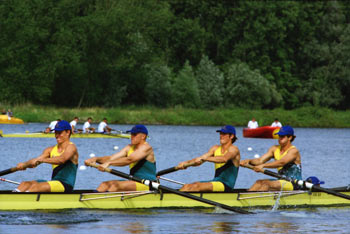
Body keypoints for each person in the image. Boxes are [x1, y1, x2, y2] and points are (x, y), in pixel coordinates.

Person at [85, 124, 155, 192]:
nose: (131, 137)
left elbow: (129, 160)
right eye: (131, 134)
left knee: (116, 186)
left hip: (148, 184)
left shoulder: (146, 148)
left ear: (143, 136)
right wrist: (95, 159)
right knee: (104, 184)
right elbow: (111, 158)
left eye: (134, 134)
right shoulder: (129, 147)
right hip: (134, 182)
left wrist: (109, 163)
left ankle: (107, 202)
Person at [14, 120, 79, 192]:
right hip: (54, 183)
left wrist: (42, 160)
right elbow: (35, 161)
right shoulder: (50, 150)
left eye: (60, 133)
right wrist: (24, 164)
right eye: (56, 132)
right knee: (25, 184)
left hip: (66, 185)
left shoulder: (71, 147)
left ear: (68, 132)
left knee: (37, 187)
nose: (57, 135)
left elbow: (62, 159)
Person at [176, 125, 240, 192]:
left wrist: (205, 158)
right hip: (215, 181)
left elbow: (224, 159)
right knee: (186, 186)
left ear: (232, 136)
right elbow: (200, 160)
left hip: (226, 185)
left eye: (224, 134)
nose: (221, 136)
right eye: (220, 133)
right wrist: (186, 163)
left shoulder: (234, 149)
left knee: (196, 186)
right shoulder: (215, 148)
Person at [240, 125, 301, 191]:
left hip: (293, 183)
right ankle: (246, 199)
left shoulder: (293, 151)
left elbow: (281, 162)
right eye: (279, 136)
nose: (279, 138)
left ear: (290, 137)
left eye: (282, 136)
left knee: (266, 184)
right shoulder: (274, 149)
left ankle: (255, 200)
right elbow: (260, 160)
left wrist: (263, 166)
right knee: (259, 182)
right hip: (280, 181)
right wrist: (248, 161)